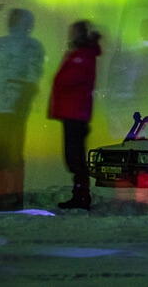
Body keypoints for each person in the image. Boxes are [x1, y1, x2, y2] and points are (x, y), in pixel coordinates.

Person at [0, 4, 45, 211]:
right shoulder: (9, 43)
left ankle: (11, 197)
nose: (10, 21)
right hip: (0, 105)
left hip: (13, 104)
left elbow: (34, 74)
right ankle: (6, 196)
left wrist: (25, 97)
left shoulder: (30, 46)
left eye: (14, 18)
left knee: (10, 151)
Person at [47, 20, 102, 210]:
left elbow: (73, 78)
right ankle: (79, 194)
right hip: (72, 111)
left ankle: (81, 196)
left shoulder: (83, 54)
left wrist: (60, 80)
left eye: (75, 32)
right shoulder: (79, 53)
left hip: (76, 112)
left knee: (75, 156)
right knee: (72, 155)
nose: (72, 36)